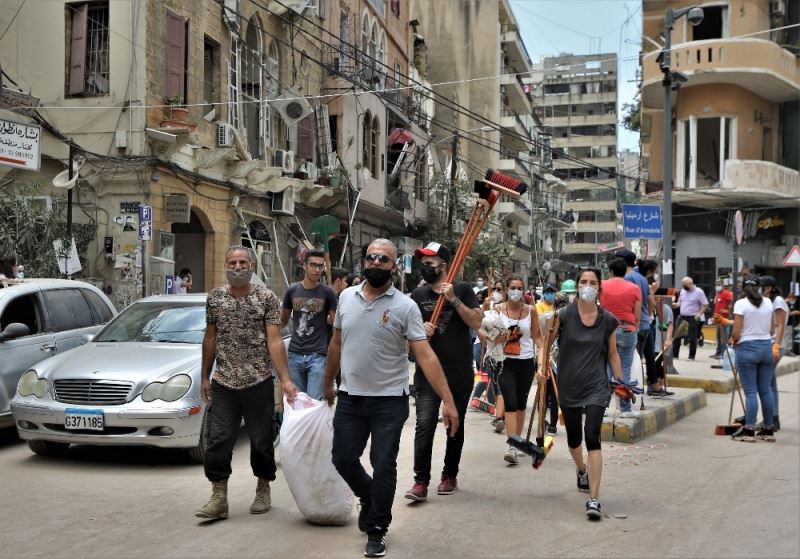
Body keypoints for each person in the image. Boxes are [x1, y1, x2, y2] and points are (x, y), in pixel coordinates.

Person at [322, 239, 458, 558]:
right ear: (364, 262)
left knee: (383, 464)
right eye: (371, 257)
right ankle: (369, 497)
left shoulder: (405, 307)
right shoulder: (346, 297)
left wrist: (448, 401)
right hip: (350, 397)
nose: (376, 262)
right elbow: (337, 343)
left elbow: (425, 355)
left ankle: (377, 528)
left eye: (384, 259)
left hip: (389, 401)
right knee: (342, 458)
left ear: (394, 266)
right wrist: (327, 381)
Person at [195, 245, 298, 521]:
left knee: (261, 441)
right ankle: (219, 497)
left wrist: (285, 379)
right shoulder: (215, 298)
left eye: (242, 262)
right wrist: (204, 376)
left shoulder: (266, 297)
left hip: (258, 381)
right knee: (217, 441)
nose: (237, 267)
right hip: (224, 382)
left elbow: (274, 340)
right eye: (232, 262)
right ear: (225, 265)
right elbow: (210, 338)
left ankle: (263, 487)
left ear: (251, 266)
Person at [540, 267, 622, 520]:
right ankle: (581, 469)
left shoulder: (608, 320)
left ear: (599, 287)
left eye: (593, 282)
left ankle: (594, 498)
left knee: (592, 435)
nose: (588, 286)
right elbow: (546, 344)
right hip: (568, 385)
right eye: (583, 282)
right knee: (574, 437)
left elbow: (612, 354)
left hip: (597, 386)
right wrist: (542, 367)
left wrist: (620, 381)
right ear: (577, 286)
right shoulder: (563, 315)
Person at [404, 242, 482, 501]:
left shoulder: (463, 289)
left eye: (429, 262)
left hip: (459, 371)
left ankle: (449, 474)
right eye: (423, 263)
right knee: (424, 424)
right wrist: (420, 331)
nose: (425, 267)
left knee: (454, 425)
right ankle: (420, 481)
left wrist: (454, 300)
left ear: (444, 265)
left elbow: (476, 322)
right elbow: (407, 336)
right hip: (427, 373)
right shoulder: (417, 295)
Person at [485, 274, 543, 464]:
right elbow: (487, 334)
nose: (516, 291)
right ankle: (512, 445)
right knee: (510, 402)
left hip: (526, 361)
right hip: (504, 362)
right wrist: (501, 336)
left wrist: (544, 356)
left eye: (519, 288)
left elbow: (537, 337)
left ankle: (518, 442)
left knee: (520, 403)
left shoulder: (531, 310)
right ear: (506, 290)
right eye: (513, 288)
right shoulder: (497, 310)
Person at [718, 276, 776, 442]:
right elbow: (772, 330)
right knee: (765, 390)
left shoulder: (741, 303)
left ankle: (749, 429)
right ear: (759, 287)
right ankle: (768, 429)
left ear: (743, 288)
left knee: (750, 391)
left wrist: (733, 341)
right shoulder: (768, 302)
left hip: (748, 348)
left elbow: (736, 332)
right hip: (766, 348)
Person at [280, 250, 337, 400]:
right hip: (295, 353)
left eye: (320, 266)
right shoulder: (292, 290)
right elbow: (283, 321)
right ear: (304, 265)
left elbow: (336, 324)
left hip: (318, 355)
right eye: (313, 265)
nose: (317, 269)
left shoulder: (328, 292)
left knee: (313, 403)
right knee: (296, 401)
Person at [598, 258, 641, 417]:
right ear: (626, 271)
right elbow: (637, 316)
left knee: (606, 369)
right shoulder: (634, 288)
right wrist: (634, 328)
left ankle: (601, 407)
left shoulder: (602, 286)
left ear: (610, 271)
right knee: (625, 369)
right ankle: (625, 409)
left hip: (606, 329)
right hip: (627, 329)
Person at [760, 275, 787, 431]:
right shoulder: (769, 301)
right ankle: (774, 418)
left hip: (774, 345)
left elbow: (781, 325)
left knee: (764, 384)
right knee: (770, 383)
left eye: (760, 287)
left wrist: (776, 345)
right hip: (769, 343)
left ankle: (769, 420)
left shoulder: (778, 302)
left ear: (769, 288)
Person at [672, 277, 708, 360]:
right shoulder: (683, 291)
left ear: (690, 284)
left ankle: (691, 356)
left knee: (692, 337)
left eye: (685, 285)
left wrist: (699, 314)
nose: (684, 287)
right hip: (682, 316)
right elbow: (680, 302)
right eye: (683, 285)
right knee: (677, 335)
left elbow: (705, 304)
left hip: (693, 316)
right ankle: (675, 354)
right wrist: (676, 305)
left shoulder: (699, 292)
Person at [711, 279, 733, 359]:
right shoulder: (718, 294)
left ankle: (724, 353)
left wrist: (728, 311)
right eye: (716, 284)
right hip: (718, 319)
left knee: (724, 337)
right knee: (718, 336)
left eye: (719, 284)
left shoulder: (727, 293)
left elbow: (731, 303)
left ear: (723, 285)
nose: (717, 286)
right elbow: (717, 307)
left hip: (725, 319)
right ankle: (718, 352)